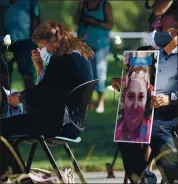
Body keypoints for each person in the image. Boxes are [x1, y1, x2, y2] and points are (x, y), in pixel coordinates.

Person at [0, 21, 94, 177]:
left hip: (57, 124)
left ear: (55, 41)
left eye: (43, 45)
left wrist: (20, 97)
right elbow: (51, 90)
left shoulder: (62, 61)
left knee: (3, 129)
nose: (41, 50)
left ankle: (17, 178)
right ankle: (18, 177)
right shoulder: (78, 56)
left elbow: (44, 96)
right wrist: (39, 67)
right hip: (71, 122)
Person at [112, 5, 178, 183]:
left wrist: (169, 99)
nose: (160, 23)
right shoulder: (143, 52)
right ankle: (142, 178)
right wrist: (123, 86)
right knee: (127, 128)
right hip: (145, 109)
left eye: (166, 20)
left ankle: (172, 174)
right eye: (159, 23)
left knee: (155, 127)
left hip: (170, 110)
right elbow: (134, 84)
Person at [74, 0, 113, 113]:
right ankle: (88, 102)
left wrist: (95, 22)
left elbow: (109, 25)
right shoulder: (83, 4)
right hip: (84, 44)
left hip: (101, 44)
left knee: (100, 72)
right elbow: (76, 21)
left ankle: (100, 102)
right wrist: (80, 8)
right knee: (86, 73)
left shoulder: (104, 5)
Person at [2, 0, 40, 89]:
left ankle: (31, 101)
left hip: (25, 40)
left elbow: (35, 17)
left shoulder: (30, 1)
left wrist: (34, 39)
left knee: (27, 73)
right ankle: (5, 102)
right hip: (4, 40)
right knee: (4, 74)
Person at [115, 66, 152, 143]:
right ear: (124, 97)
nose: (135, 106)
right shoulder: (118, 128)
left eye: (141, 97)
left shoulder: (150, 132)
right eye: (131, 96)